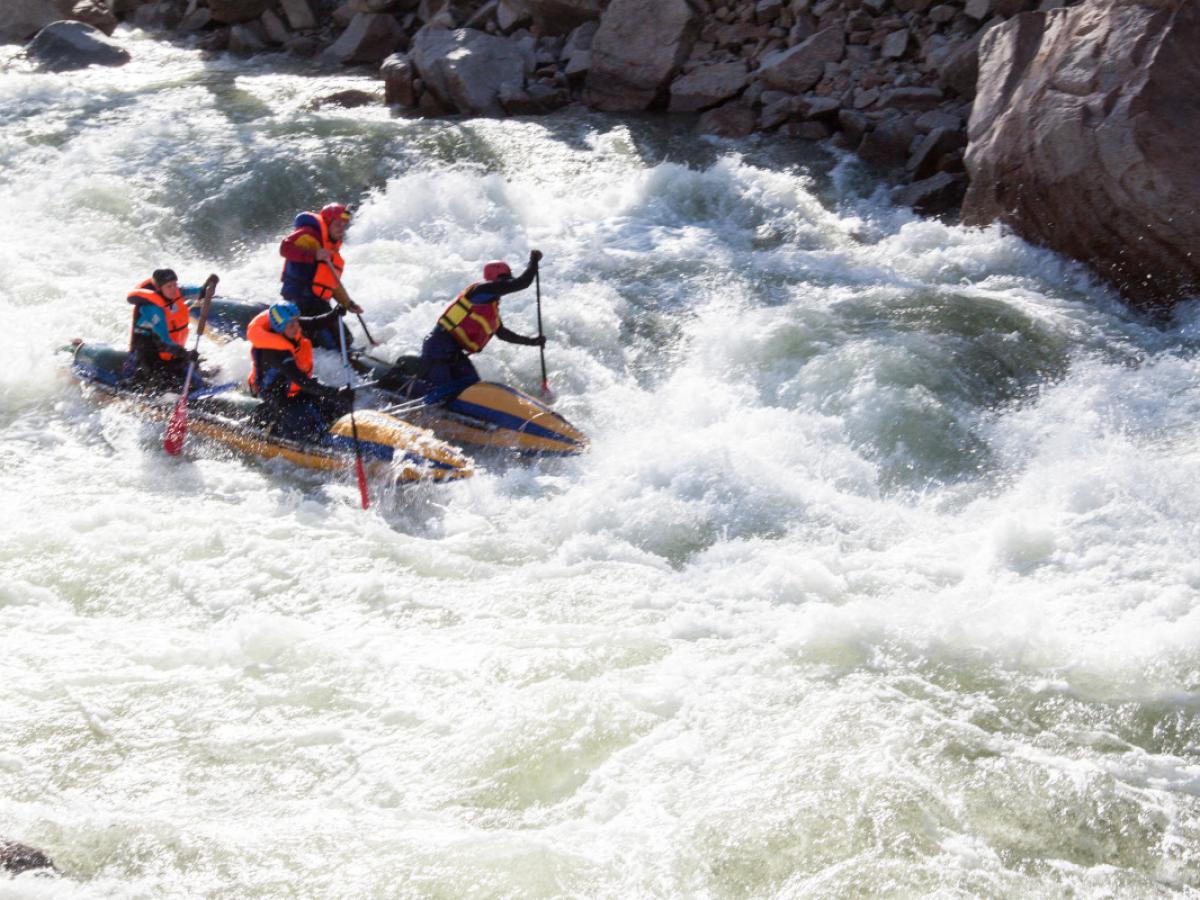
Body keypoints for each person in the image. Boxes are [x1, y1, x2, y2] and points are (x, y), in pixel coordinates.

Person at [410, 250, 546, 397]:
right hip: (438, 346)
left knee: (471, 384)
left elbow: (503, 334)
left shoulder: (490, 309)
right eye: (504, 280)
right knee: (443, 392)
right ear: (494, 279)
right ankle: (421, 405)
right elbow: (522, 283)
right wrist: (533, 261)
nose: (506, 284)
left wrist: (533, 342)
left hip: (453, 351)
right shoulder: (481, 290)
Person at [246, 302, 354, 441]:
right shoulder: (276, 352)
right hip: (275, 394)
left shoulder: (288, 327)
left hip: (292, 386)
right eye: (292, 324)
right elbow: (302, 381)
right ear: (280, 327)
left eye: (296, 321)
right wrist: (336, 391)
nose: (297, 327)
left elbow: (314, 323)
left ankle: (335, 432)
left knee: (337, 404)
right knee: (304, 421)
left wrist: (334, 314)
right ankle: (276, 432)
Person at [278, 203, 363, 350]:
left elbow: (331, 283)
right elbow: (285, 248)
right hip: (299, 301)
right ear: (328, 223)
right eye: (337, 224)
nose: (341, 229)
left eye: (344, 225)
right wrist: (314, 254)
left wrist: (348, 304)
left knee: (345, 339)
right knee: (332, 343)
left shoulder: (332, 249)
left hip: (317, 303)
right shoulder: (309, 234)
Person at [123, 269, 217, 392]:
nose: (173, 289)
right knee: (167, 382)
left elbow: (192, 290)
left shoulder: (173, 293)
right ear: (159, 288)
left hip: (169, 351)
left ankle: (201, 386)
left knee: (197, 367)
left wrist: (206, 288)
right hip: (150, 351)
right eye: (169, 286)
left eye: (175, 285)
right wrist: (185, 354)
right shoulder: (154, 309)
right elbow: (164, 342)